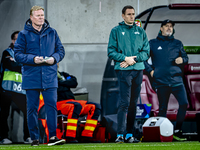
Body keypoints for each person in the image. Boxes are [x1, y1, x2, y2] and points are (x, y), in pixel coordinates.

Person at [14, 6, 65, 146]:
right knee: (32, 109)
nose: (41, 17)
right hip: (32, 77)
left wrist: (54, 59)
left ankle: (53, 137)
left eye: (42, 15)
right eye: (38, 15)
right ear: (31, 17)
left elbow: (61, 50)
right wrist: (32, 59)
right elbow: (17, 55)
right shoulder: (23, 35)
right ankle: (34, 138)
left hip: (49, 76)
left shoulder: (52, 32)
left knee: (52, 107)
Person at [107, 5, 150, 143]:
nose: (132, 16)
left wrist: (133, 59)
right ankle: (120, 134)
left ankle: (129, 135)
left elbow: (146, 52)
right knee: (124, 103)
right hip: (123, 70)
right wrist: (125, 59)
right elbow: (111, 52)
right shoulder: (116, 31)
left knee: (133, 103)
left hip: (138, 69)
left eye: (133, 14)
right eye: (129, 14)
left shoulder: (141, 31)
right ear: (123, 16)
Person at [144, 19, 188, 141]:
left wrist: (182, 60)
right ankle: (161, 134)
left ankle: (178, 130)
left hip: (176, 80)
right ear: (161, 28)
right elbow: (143, 59)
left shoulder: (178, 43)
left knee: (184, 103)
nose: (169, 28)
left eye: (171, 26)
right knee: (162, 108)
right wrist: (151, 71)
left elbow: (185, 57)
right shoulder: (152, 43)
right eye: (166, 26)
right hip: (161, 81)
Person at [56, 63, 101, 143]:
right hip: (59, 103)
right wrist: (65, 82)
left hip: (71, 102)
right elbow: (57, 85)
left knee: (95, 106)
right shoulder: (48, 77)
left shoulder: (63, 74)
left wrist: (61, 82)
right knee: (76, 106)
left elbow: (73, 82)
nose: (57, 64)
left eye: (57, 62)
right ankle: (70, 136)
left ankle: (87, 135)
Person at [0, 31, 31, 144]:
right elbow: (12, 65)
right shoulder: (7, 53)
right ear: (13, 41)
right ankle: (4, 137)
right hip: (7, 89)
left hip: (20, 89)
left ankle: (28, 137)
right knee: (4, 114)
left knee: (28, 111)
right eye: (17, 39)